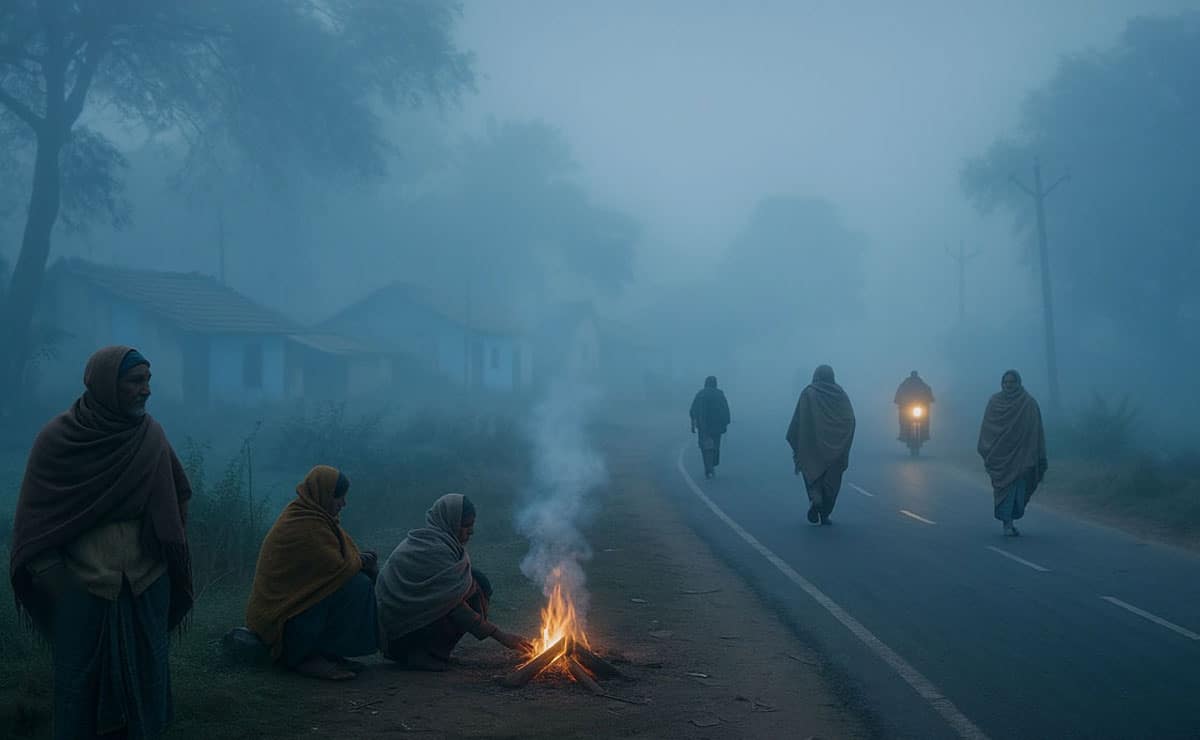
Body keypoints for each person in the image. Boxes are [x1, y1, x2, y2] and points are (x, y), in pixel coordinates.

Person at [9, 346, 193, 740]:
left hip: (146, 580)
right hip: (83, 584)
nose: (145, 391)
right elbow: (35, 521)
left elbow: (177, 493)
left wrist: (164, 549)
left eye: (148, 381)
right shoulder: (59, 439)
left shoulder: (150, 435)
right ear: (106, 385)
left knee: (146, 678)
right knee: (81, 688)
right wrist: (61, 585)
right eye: (135, 381)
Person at [245, 465, 380, 681]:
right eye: (339, 498)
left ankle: (329, 653)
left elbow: (337, 563)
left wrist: (360, 561)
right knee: (352, 586)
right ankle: (303, 657)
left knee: (357, 585)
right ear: (324, 494)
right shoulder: (303, 524)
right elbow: (333, 567)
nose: (343, 504)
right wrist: (362, 561)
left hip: (299, 600)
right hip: (282, 612)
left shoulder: (317, 516)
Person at [376, 493, 530, 670]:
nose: (470, 531)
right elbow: (454, 606)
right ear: (450, 522)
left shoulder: (446, 543)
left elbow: (459, 590)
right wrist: (500, 635)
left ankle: (434, 652)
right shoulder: (430, 549)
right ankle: (418, 655)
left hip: (415, 623)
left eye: (471, 525)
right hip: (400, 634)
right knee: (465, 593)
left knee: (478, 583)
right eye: (465, 526)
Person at [978, 370, 1048, 537]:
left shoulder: (1028, 403)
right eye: (1006, 382)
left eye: (1012, 382)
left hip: (1022, 456)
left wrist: (1033, 452)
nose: (1009, 385)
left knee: (1018, 491)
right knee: (1004, 490)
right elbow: (988, 428)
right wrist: (992, 449)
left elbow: (1035, 430)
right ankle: (1007, 523)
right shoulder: (994, 402)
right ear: (1002, 384)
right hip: (1001, 456)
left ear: (1019, 383)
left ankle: (1010, 520)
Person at [786, 365, 856, 525]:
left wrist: (800, 441)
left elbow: (798, 420)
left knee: (812, 476)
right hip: (837, 449)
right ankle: (825, 514)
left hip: (811, 446)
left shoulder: (808, 393)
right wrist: (842, 439)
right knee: (832, 482)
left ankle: (815, 500)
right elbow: (850, 419)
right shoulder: (840, 394)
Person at [690, 375, 731, 479]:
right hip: (717, 427)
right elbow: (725, 409)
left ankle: (708, 468)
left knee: (705, 448)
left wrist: (693, 424)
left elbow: (692, 410)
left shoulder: (700, 394)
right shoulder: (720, 394)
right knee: (715, 447)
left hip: (703, 427)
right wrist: (726, 422)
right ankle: (712, 465)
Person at [894, 370, 934, 440]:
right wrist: (897, 400)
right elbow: (899, 391)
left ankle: (925, 434)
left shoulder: (921, 384)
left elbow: (928, 389)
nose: (914, 377)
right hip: (907, 406)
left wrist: (930, 398)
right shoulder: (905, 384)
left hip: (920, 405)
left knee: (925, 418)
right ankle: (903, 434)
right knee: (903, 418)